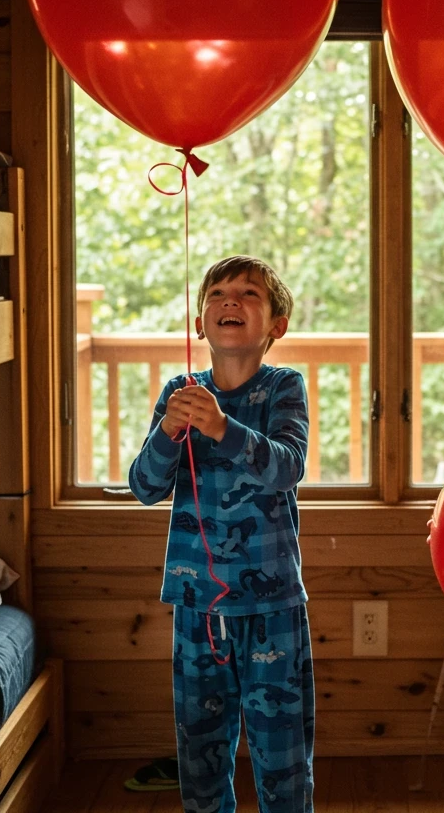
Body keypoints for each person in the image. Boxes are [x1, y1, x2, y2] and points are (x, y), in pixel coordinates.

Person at [129, 255, 313, 813]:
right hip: (196, 607)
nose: (230, 301)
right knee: (200, 757)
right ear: (199, 323)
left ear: (276, 326)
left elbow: (287, 466)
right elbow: (143, 486)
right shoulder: (178, 391)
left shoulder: (283, 387)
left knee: (282, 759)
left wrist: (220, 426)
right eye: (218, 294)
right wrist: (168, 430)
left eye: (249, 294)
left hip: (271, 605)